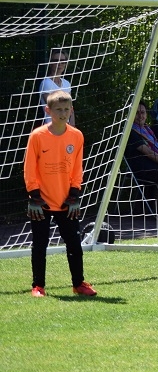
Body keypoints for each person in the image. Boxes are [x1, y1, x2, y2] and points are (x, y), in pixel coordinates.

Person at [24, 90, 95, 297]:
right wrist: (34, 195)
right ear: (48, 111)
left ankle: (79, 284)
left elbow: (77, 168)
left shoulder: (76, 135)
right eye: (58, 110)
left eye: (66, 109)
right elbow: (29, 168)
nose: (62, 113)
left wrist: (74, 194)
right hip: (41, 202)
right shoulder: (37, 136)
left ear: (71, 110)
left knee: (74, 244)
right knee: (39, 245)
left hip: (66, 201)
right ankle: (38, 286)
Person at [38, 49, 75, 126]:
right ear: (50, 63)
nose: (59, 64)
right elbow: (54, 106)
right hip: (52, 127)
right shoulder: (46, 83)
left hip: (66, 126)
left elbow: (70, 107)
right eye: (56, 61)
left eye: (62, 61)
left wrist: (72, 127)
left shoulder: (66, 83)